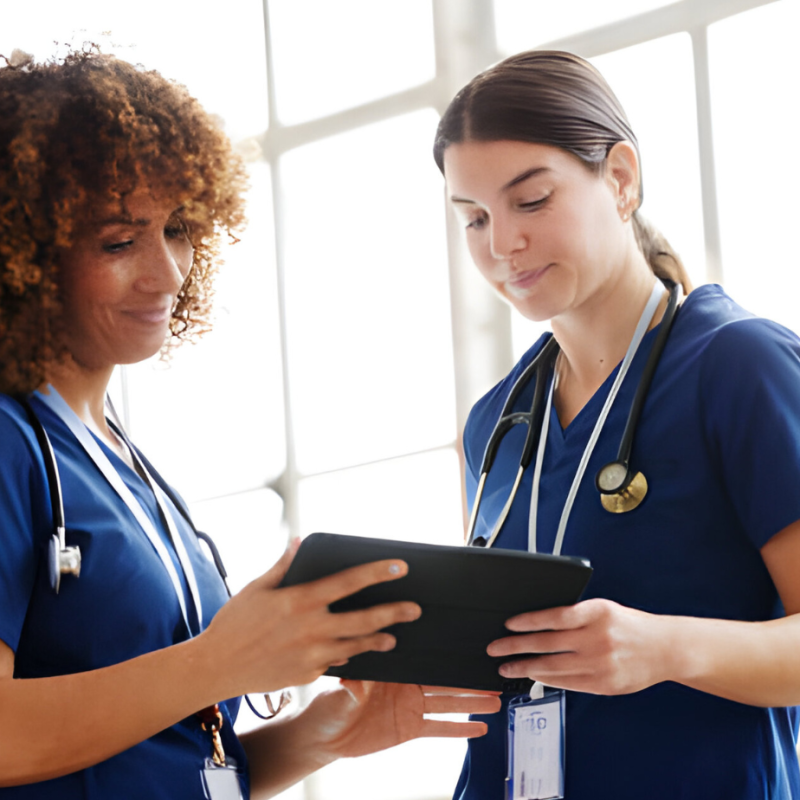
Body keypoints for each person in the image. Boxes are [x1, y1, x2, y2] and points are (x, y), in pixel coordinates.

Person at [0, 48, 500, 799]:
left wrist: (319, 735)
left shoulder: (123, 464)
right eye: (118, 241)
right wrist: (219, 662)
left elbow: (164, 762)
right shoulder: (12, 445)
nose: (168, 272)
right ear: (26, 254)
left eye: (176, 229)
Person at [433, 50, 800, 800]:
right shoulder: (495, 425)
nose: (502, 245)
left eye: (531, 201)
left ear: (622, 178)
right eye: (474, 219)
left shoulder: (738, 366)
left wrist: (665, 647)